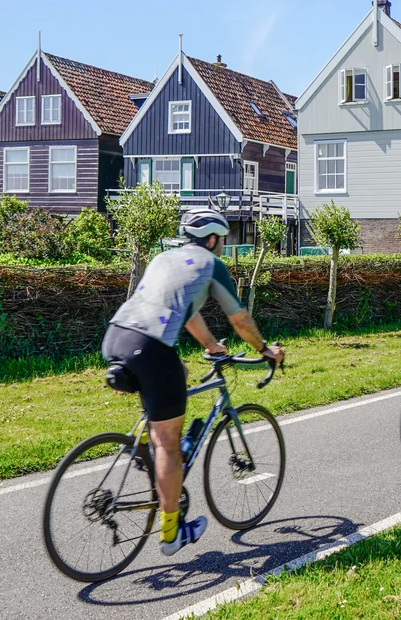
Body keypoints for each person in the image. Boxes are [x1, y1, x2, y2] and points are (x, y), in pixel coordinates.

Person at [101, 208, 285, 556]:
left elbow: (187, 312)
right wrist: (264, 348)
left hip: (116, 337)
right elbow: (241, 319)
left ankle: (148, 453)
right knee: (170, 444)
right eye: (222, 241)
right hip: (150, 348)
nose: (221, 247)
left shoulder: (165, 258)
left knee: (177, 375)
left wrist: (212, 346)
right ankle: (172, 534)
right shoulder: (213, 265)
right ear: (213, 239)